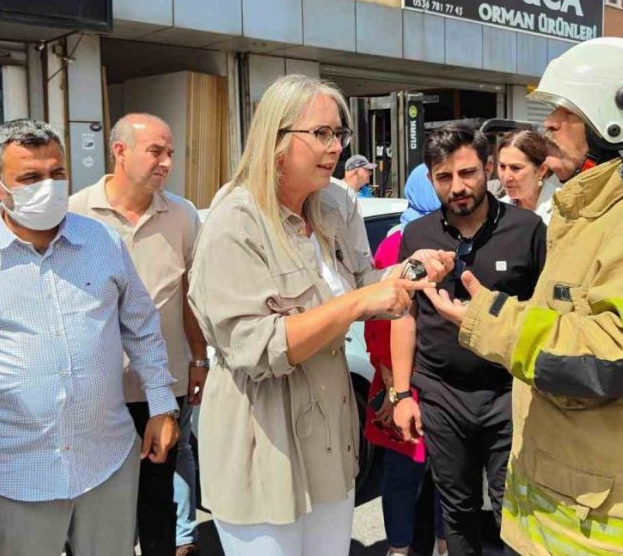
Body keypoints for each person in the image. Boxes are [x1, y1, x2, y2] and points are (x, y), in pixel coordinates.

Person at [423, 38, 623, 555]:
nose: (549, 125)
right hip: (578, 516)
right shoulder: (598, 214)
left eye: (564, 111)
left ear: (613, 119)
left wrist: (491, 320)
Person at [188, 75, 453, 556]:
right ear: (276, 139)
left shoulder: (335, 202)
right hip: (263, 440)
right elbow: (257, 348)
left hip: (330, 434)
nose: (336, 148)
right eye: (322, 134)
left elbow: (361, 280)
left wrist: (409, 272)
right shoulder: (235, 222)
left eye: (340, 134)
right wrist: (357, 304)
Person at [0, 119, 179, 556]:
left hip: (106, 463)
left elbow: (142, 325)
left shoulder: (101, 241)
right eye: (31, 178)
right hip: (12, 474)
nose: (48, 187)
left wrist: (162, 404)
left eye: (57, 174)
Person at [391, 125, 547, 556]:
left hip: (508, 392)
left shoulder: (528, 229)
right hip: (442, 395)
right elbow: (405, 315)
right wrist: (402, 393)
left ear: (488, 169)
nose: (458, 187)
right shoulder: (417, 236)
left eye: (468, 173)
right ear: (430, 178)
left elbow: (547, 316)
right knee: (456, 510)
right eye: (444, 177)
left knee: (512, 509)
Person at [68, 113, 208, 556]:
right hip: (93, 389)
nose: (166, 162)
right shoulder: (75, 213)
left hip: (161, 388)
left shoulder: (182, 215)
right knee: (94, 506)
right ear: (119, 151)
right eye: (156, 151)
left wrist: (199, 359)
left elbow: (191, 295)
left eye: (170, 153)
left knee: (157, 501)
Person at [363, 163, 447, 556]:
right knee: (403, 474)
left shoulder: (453, 234)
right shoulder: (397, 241)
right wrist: (395, 390)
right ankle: (399, 548)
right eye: (440, 180)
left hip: (437, 382)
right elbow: (379, 323)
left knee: (445, 475)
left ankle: (441, 544)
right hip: (403, 382)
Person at [495, 130, 560, 224]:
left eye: (515, 168)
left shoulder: (564, 205)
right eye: (502, 166)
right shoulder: (497, 210)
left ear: (541, 170)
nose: (506, 177)